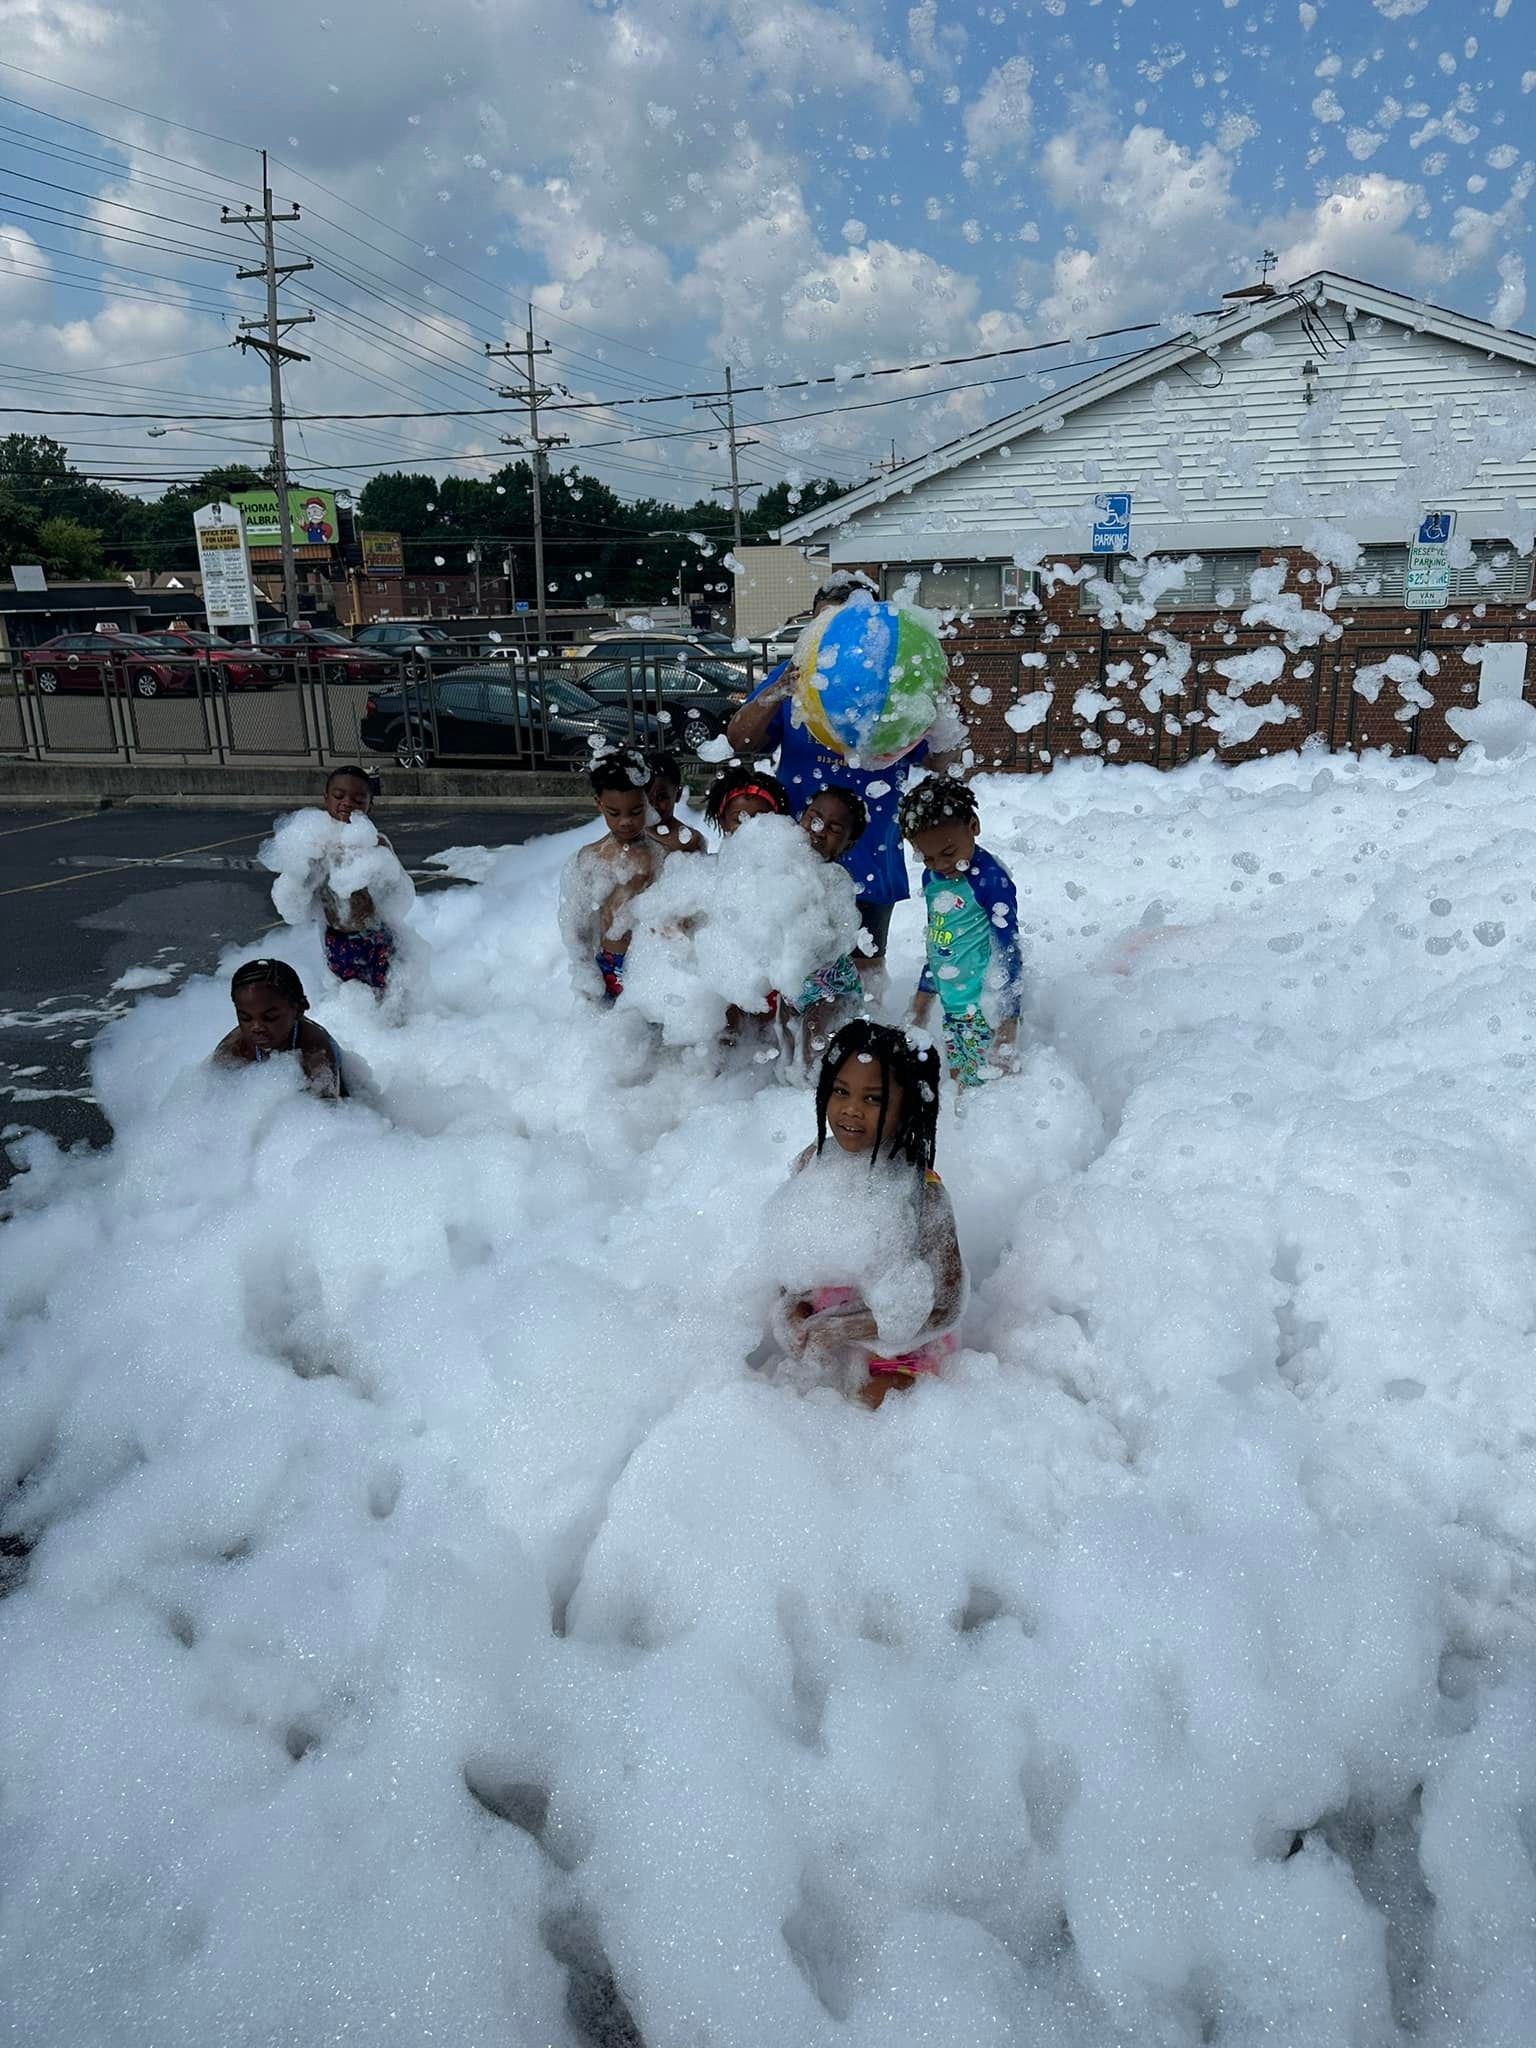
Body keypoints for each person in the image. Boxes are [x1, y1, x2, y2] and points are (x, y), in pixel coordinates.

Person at [724, 570, 950, 969]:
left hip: (871, 860)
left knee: (864, 983)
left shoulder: (897, 682)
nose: (830, 636)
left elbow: (940, 765)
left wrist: (940, 712)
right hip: (796, 863)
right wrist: (778, 693)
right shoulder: (794, 675)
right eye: (821, 624)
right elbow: (738, 741)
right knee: (790, 979)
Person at [772, 1020, 965, 1409]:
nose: (851, 1110)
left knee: (875, 1408)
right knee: (782, 1403)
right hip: (825, 1336)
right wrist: (792, 1310)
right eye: (840, 1091)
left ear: (908, 1105)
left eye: (873, 1099)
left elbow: (945, 1304)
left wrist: (839, 1329)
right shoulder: (813, 1162)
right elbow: (790, 1257)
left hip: (898, 1349)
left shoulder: (924, 1193)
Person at [899, 779, 1023, 1087]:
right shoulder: (933, 878)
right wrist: (922, 998)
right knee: (961, 1082)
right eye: (927, 857)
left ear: (973, 825)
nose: (940, 865)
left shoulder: (989, 879)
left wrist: (1008, 1019)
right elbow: (938, 939)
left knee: (981, 1088)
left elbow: (1009, 948)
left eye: (948, 852)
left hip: (983, 1006)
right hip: (954, 1004)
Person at [559, 748, 670, 1003]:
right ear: (598, 804)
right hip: (608, 966)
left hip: (653, 966)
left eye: (635, 811)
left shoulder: (662, 854)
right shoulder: (590, 858)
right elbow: (576, 926)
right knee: (613, 1032)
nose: (625, 822)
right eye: (614, 812)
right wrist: (584, 973)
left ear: (648, 803)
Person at [783, 787, 869, 1070]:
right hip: (794, 976)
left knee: (813, 1031)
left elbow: (843, 935)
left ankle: (813, 1084)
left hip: (830, 982)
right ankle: (787, 1080)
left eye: (833, 829)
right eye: (814, 818)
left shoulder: (835, 878)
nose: (819, 831)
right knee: (784, 1028)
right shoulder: (783, 868)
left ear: (847, 843)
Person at [212, 959, 346, 1099]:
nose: (256, 1027)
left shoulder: (315, 1053)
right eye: (245, 1018)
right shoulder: (234, 1050)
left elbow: (328, 1112)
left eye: (270, 1017)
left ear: (299, 1010)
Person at [318, 765, 399, 993]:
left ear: (369, 805)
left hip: (374, 936)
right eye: (338, 796)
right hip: (336, 936)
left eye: (359, 799)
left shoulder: (376, 843)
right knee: (345, 992)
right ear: (326, 799)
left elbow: (392, 885)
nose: (348, 802)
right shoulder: (316, 843)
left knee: (384, 992)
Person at [646, 752, 706, 854]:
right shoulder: (627, 834)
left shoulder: (691, 841)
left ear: (678, 794)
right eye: (646, 797)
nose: (654, 805)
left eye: (662, 797)